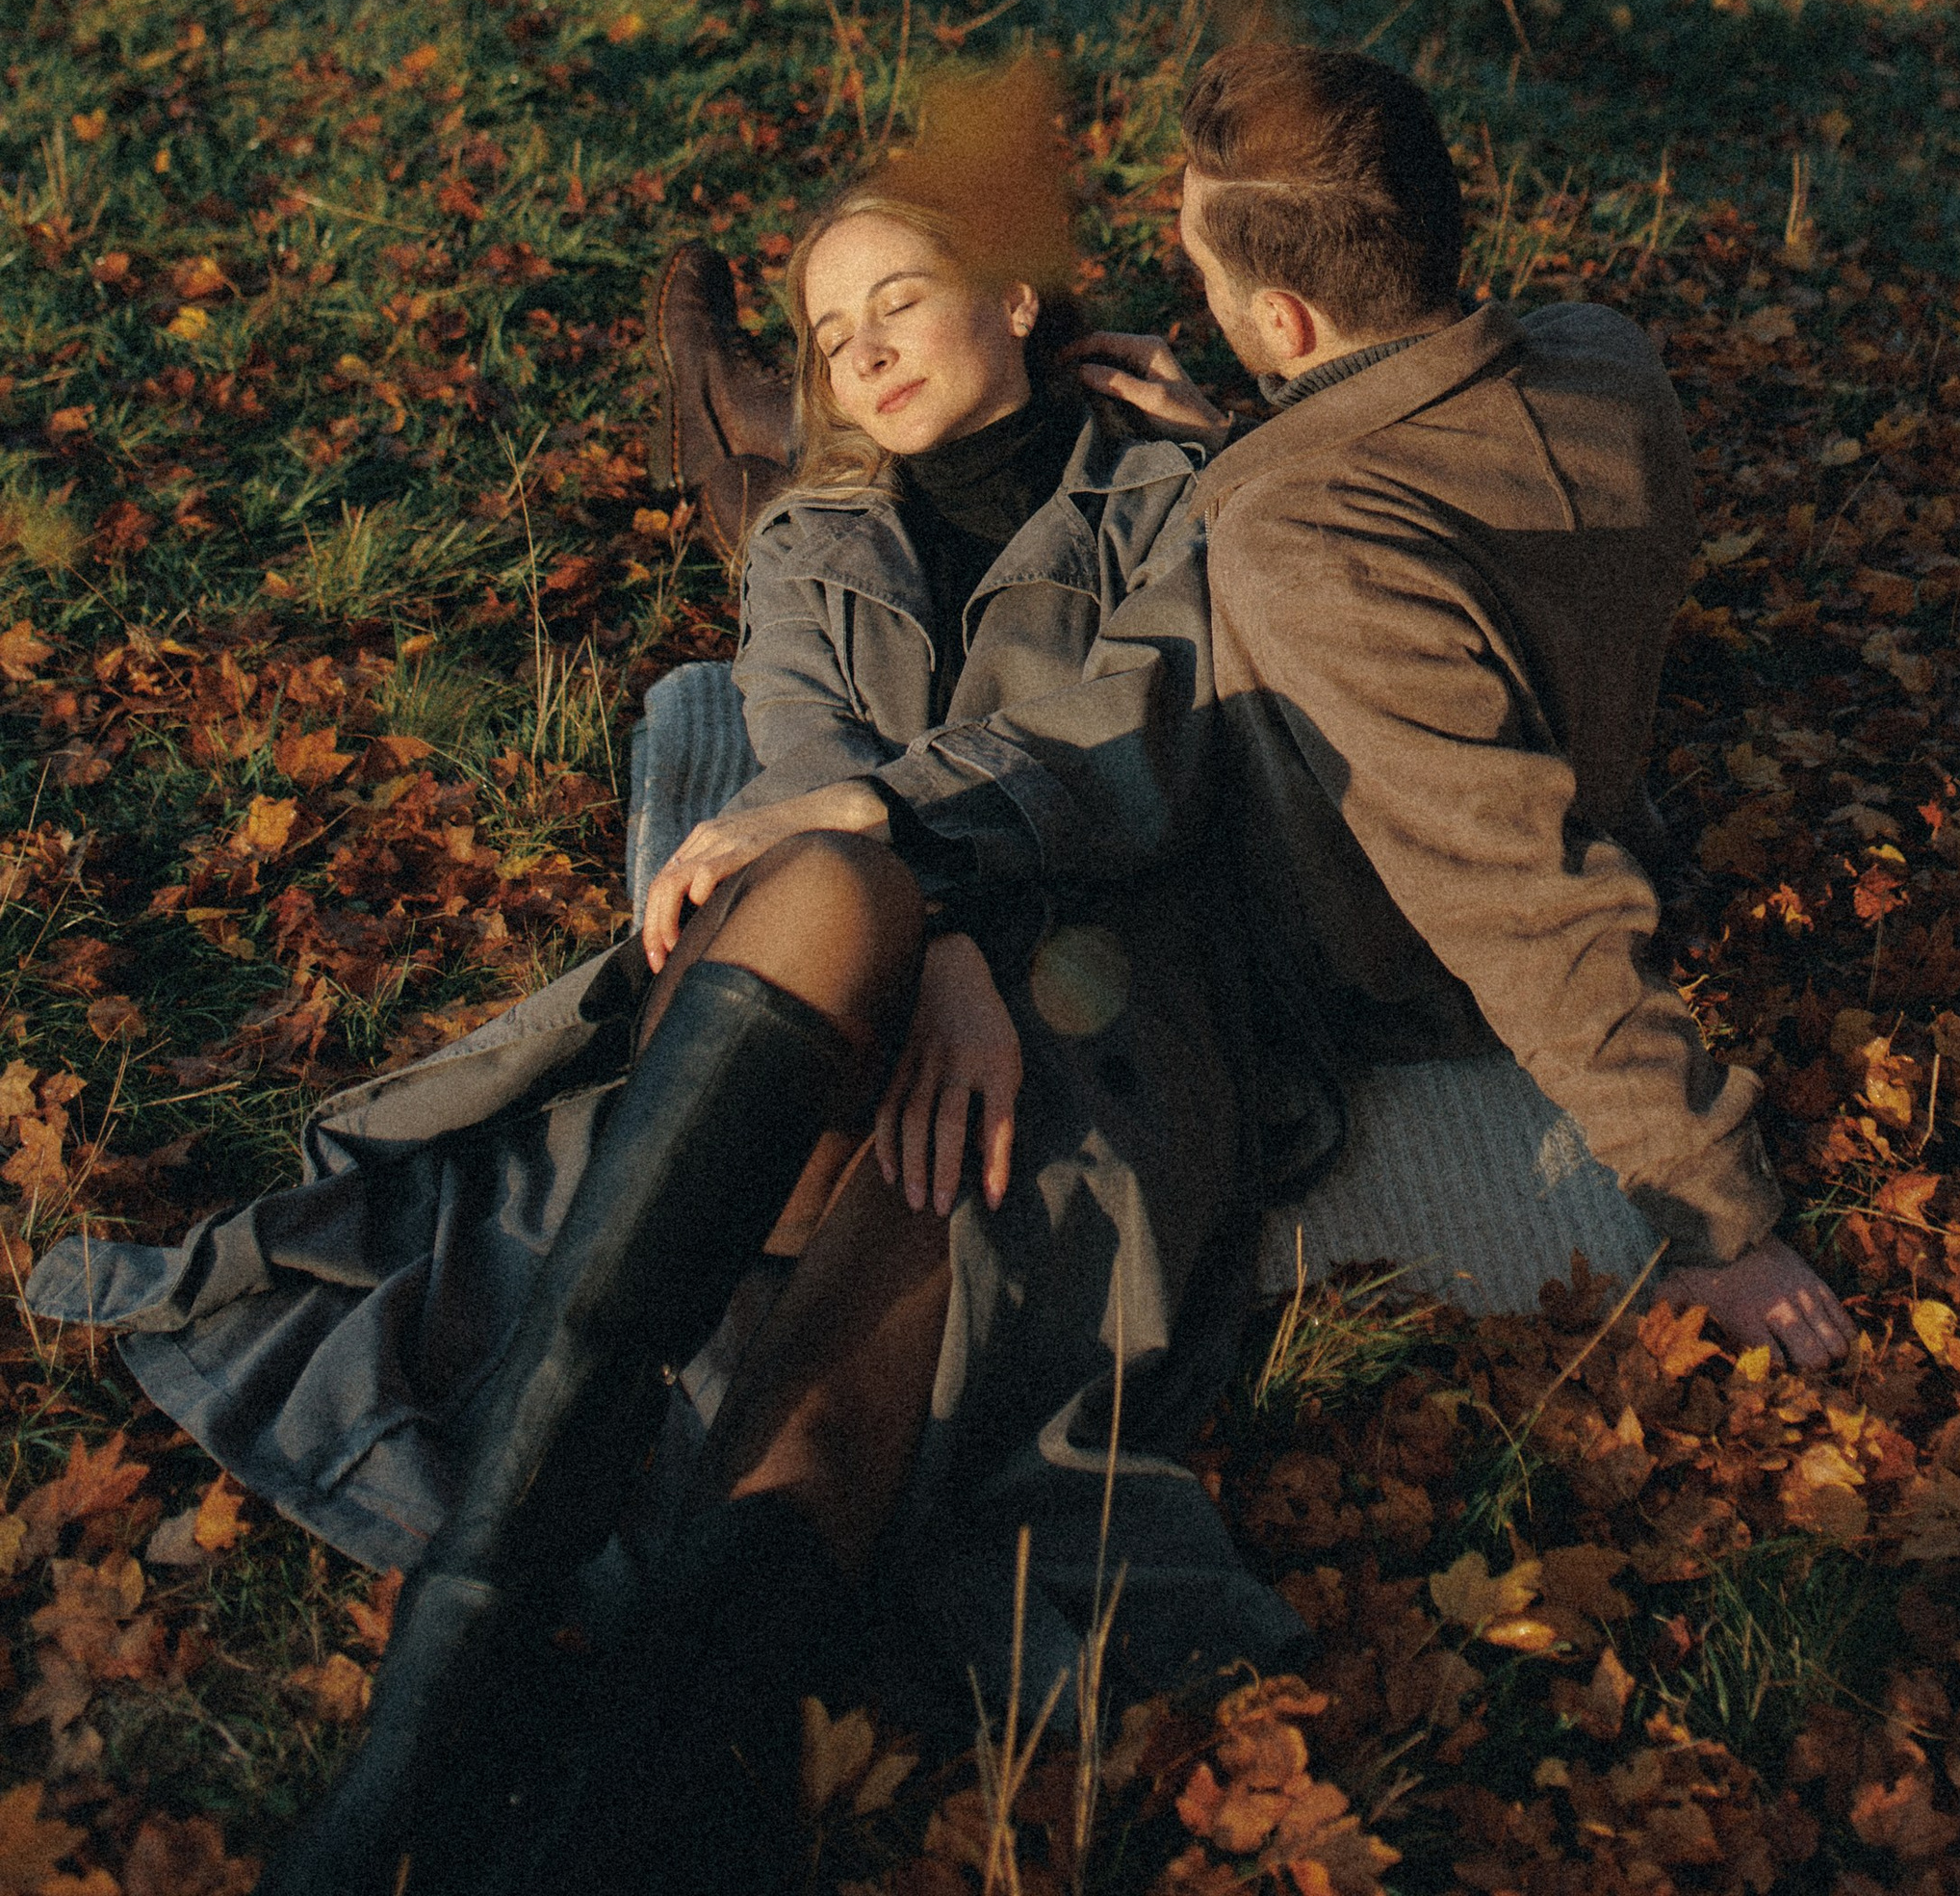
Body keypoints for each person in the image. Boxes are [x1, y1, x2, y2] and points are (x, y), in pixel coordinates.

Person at [32, 134, 1294, 1896]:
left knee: (932, 1250)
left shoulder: (1168, 496)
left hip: (1080, 1001)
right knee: (833, 889)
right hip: (844, 962)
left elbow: (1137, 749)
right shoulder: (811, 532)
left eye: (900, 298)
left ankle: (659, 1773)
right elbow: (805, 772)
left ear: (1020, 295)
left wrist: (948, 907)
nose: (856, 351)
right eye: (825, 325)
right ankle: (436, 1713)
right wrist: (925, 924)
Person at [818, 39, 1855, 1373]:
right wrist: (1254, 441)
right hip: (1448, 685)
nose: (1200, 294)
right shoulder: (1607, 362)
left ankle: (786, 472)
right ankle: (784, 448)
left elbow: (1518, 895)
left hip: (1363, 959)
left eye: (1208, 277)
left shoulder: (1301, 545)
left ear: (1286, 323)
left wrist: (1719, 1215)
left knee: (1029, 631)